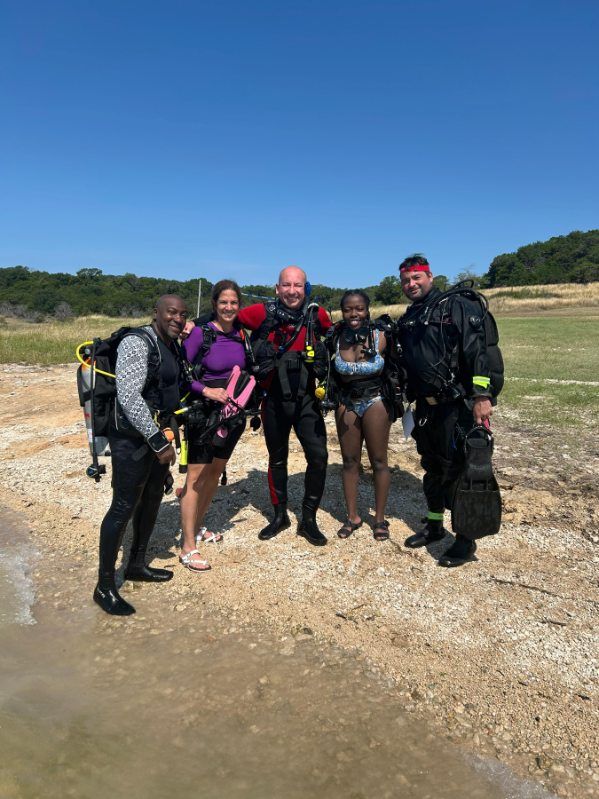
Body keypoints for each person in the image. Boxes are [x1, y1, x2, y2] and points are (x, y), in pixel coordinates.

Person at [396, 255, 494, 567]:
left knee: (459, 471)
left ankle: (465, 539)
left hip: (457, 406)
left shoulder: (456, 306)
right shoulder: (412, 315)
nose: (411, 284)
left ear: (430, 277)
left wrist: (482, 395)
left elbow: (477, 352)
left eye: (417, 278)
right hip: (427, 409)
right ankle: (435, 525)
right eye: (406, 280)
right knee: (432, 468)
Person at [94, 294, 187, 616]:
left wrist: (164, 438)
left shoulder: (171, 345)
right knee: (123, 507)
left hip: (158, 437)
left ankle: (136, 564)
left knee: (151, 500)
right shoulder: (137, 343)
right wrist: (158, 442)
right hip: (131, 441)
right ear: (156, 313)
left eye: (182, 314)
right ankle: (104, 586)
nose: (177, 319)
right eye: (171, 313)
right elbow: (129, 397)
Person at [236, 266, 332, 545]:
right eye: (286, 285)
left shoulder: (317, 315)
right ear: (277, 288)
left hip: (307, 401)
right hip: (273, 400)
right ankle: (280, 516)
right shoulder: (260, 313)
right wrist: (195, 325)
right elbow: (225, 317)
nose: (292, 291)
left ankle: (309, 519)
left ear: (306, 288)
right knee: (277, 459)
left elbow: (338, 335)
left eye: (298, 285)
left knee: (319, 457)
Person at [178, 280, 250, 572]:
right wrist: (206, 390)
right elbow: (181, 373)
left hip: (232, 415)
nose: (229, 307)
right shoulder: (200, 333)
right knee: (195, 477)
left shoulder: (241, 334)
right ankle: (187, 547)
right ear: (214, 304)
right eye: (223, 302)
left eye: (233, 302)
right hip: (203, 414)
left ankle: (197, 527)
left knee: (215, 472)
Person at [329, 290, 393, 541]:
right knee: (349, 461)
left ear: (367, 309)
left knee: (379, 460)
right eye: (347, 309)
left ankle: (379, 519)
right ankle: (353, 517)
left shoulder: (381, 335)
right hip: (347, 402)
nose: (353, 314)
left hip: (376, 400)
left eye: (359, 308)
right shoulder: (336, 337)